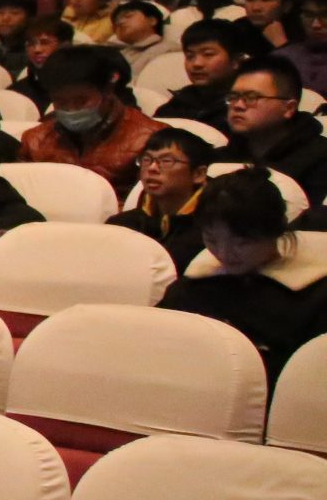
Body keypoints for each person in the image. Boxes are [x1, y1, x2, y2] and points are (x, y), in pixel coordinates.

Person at [159, 171, 327, 383]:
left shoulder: (315, 297)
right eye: (211, 240)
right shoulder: (189, 288)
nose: (224, 253)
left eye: (242, 242)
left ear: (276, 230)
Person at [15, 45, 161, 196]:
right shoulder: (35, 141)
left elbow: (151, 203)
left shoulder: (151, 139)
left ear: (108, 90)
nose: (71, 110)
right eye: (61, 102)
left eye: (81, 101)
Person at [213, 57, 327, 209]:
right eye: (233, 97)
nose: (238, 105)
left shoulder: (320, 157)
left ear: (289, 108)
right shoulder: (219, 157)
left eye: (252, 98)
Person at [110, 127, 211, 267]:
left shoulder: (211, 232)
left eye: (166, 161)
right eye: (146, 159)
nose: (152, 168)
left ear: (198, 174)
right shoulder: (121, 226)